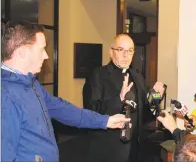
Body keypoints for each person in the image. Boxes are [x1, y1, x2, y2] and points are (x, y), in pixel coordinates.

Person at [1, 21, 130, 162]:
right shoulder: (5, 96)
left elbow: (64, 110)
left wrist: (106, 121)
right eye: (42, 49)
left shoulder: (32, 84)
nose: (46, 56)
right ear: (22, 53)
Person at [82, 34, 165, 162]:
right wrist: (119, 99)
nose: (126, 55)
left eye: (130, 50)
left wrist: (155, 99)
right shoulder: (98, 75)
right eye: (121, 50)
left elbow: (145, 117)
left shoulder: (138, 78)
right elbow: (91, 111)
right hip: (107, 150)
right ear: (111, 52)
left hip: (135, 150)